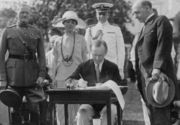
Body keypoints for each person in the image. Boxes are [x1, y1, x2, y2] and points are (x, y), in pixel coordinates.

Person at [132, 0, 179, 125]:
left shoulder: (161, 21)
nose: (134, 16)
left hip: (159, 79)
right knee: (152, 118)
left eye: (137, 12)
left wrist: (157, 68)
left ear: (148, 8)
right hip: (146, 81)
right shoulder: (144, 28)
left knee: (161, 118)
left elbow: (163, 45)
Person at [0, 5, 46, 125]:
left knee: (34, 108)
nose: (24, 15)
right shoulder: (8, 31)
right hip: (14, 76)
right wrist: (3, 79)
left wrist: (42, 74)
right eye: (22, 13)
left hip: (32, 76)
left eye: (26, 13)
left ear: (30, 16)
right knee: (15, 109)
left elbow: (42, 56)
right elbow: (1, 56)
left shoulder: (37, 32)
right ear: (17, 14)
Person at [67, 39, 124, 125]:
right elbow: (68, 81)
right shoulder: (83, 66)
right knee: (82, 113)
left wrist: (109, 87)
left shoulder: (113, 67)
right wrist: (77, 82)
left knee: (109, 113)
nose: (97, 58)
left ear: (106, 52)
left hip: (108, 103)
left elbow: (120, 86)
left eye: (100, 55)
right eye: (94, 55)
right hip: (89, 104)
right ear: (90, 52)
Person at [51, 11, 88, 125]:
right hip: (61, 78)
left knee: (76, 110)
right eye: (67, 22)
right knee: (61, 109)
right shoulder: (57, 41)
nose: (70, 24)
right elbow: (54, 62)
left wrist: (86, 79)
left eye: (73, 22)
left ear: (76, 24)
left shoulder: (81, 39)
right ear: (63, 23)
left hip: (76, 79)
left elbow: (85, 61)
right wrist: (53, 79)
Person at [85, 2, 125, 78]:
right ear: (96, 15)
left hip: (112, 66)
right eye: (99, 14)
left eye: (104, 14)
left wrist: (120, 68)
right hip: (94, 67)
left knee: (111, 89)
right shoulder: (90, 30)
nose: (101, 16)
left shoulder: (116, 29)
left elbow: (121, 51)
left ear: (108, 15)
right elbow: (87, 51)